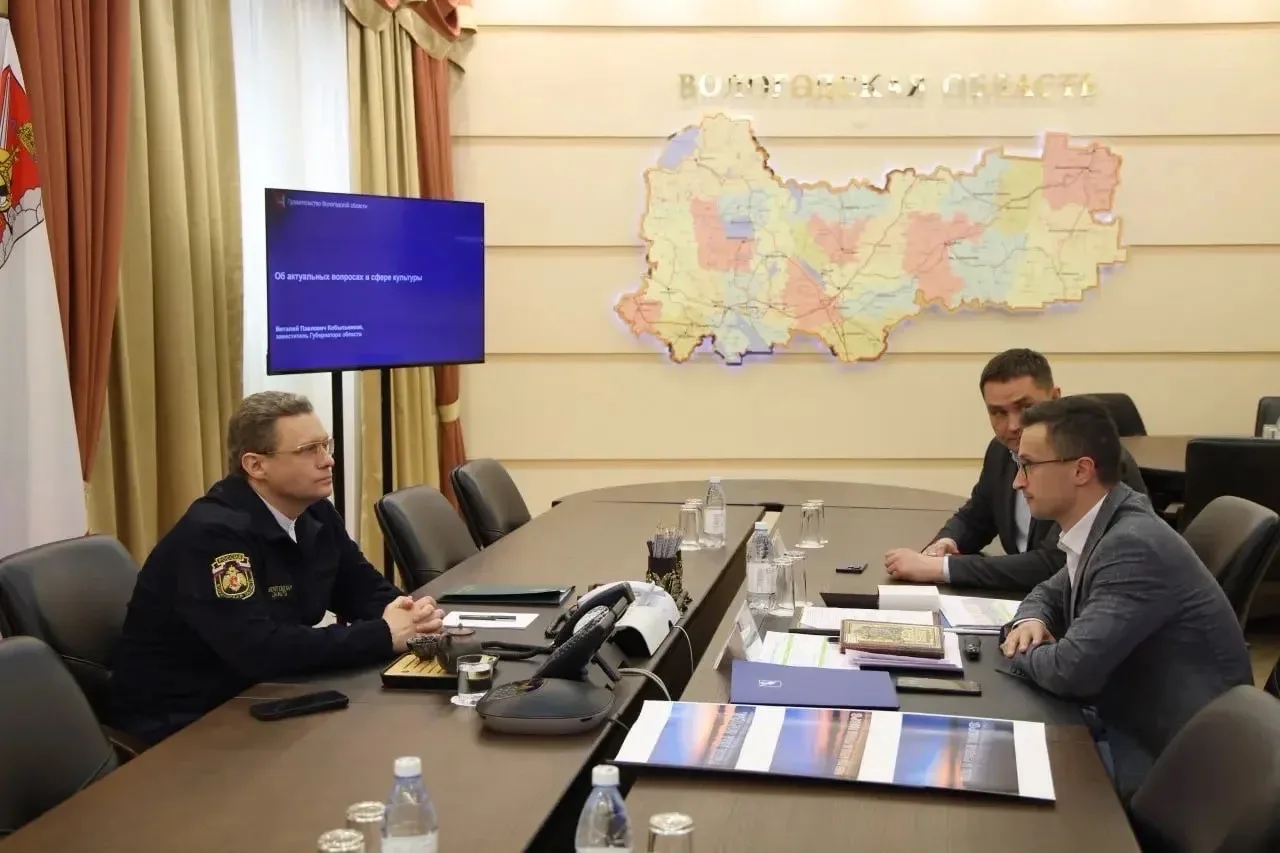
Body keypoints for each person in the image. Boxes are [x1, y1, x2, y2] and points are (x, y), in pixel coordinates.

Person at [108, 391, 447, 744]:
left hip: (263, 694)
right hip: (187, 720)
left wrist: (415, 617)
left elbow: (361, 587)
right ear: (255, 465)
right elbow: (259, 649)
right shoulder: (214, 535)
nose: (328, 461)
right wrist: (382, 634)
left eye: (326, 445)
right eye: (309, 450)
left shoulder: (314, 511)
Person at [998, 396, 1253, 801]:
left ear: (1081, 470)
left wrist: (1016, 649)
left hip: (1172, 764)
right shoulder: (1107, 521)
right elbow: (1049, 590)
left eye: (1028, 465)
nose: (1018, 481)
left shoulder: (1131, 545)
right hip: (1130, 722)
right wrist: (1031, 622)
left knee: (1005, 779)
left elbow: (1070, 671)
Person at [884, 348, 1147, 590]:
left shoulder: (1091, 462)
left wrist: (941, 568)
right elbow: (976, 517)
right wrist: (945, 545)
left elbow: (1057, 564)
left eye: (1026, 407)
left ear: (1055, 398)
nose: (1013, 426)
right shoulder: (1001, 452)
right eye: (998, 412)